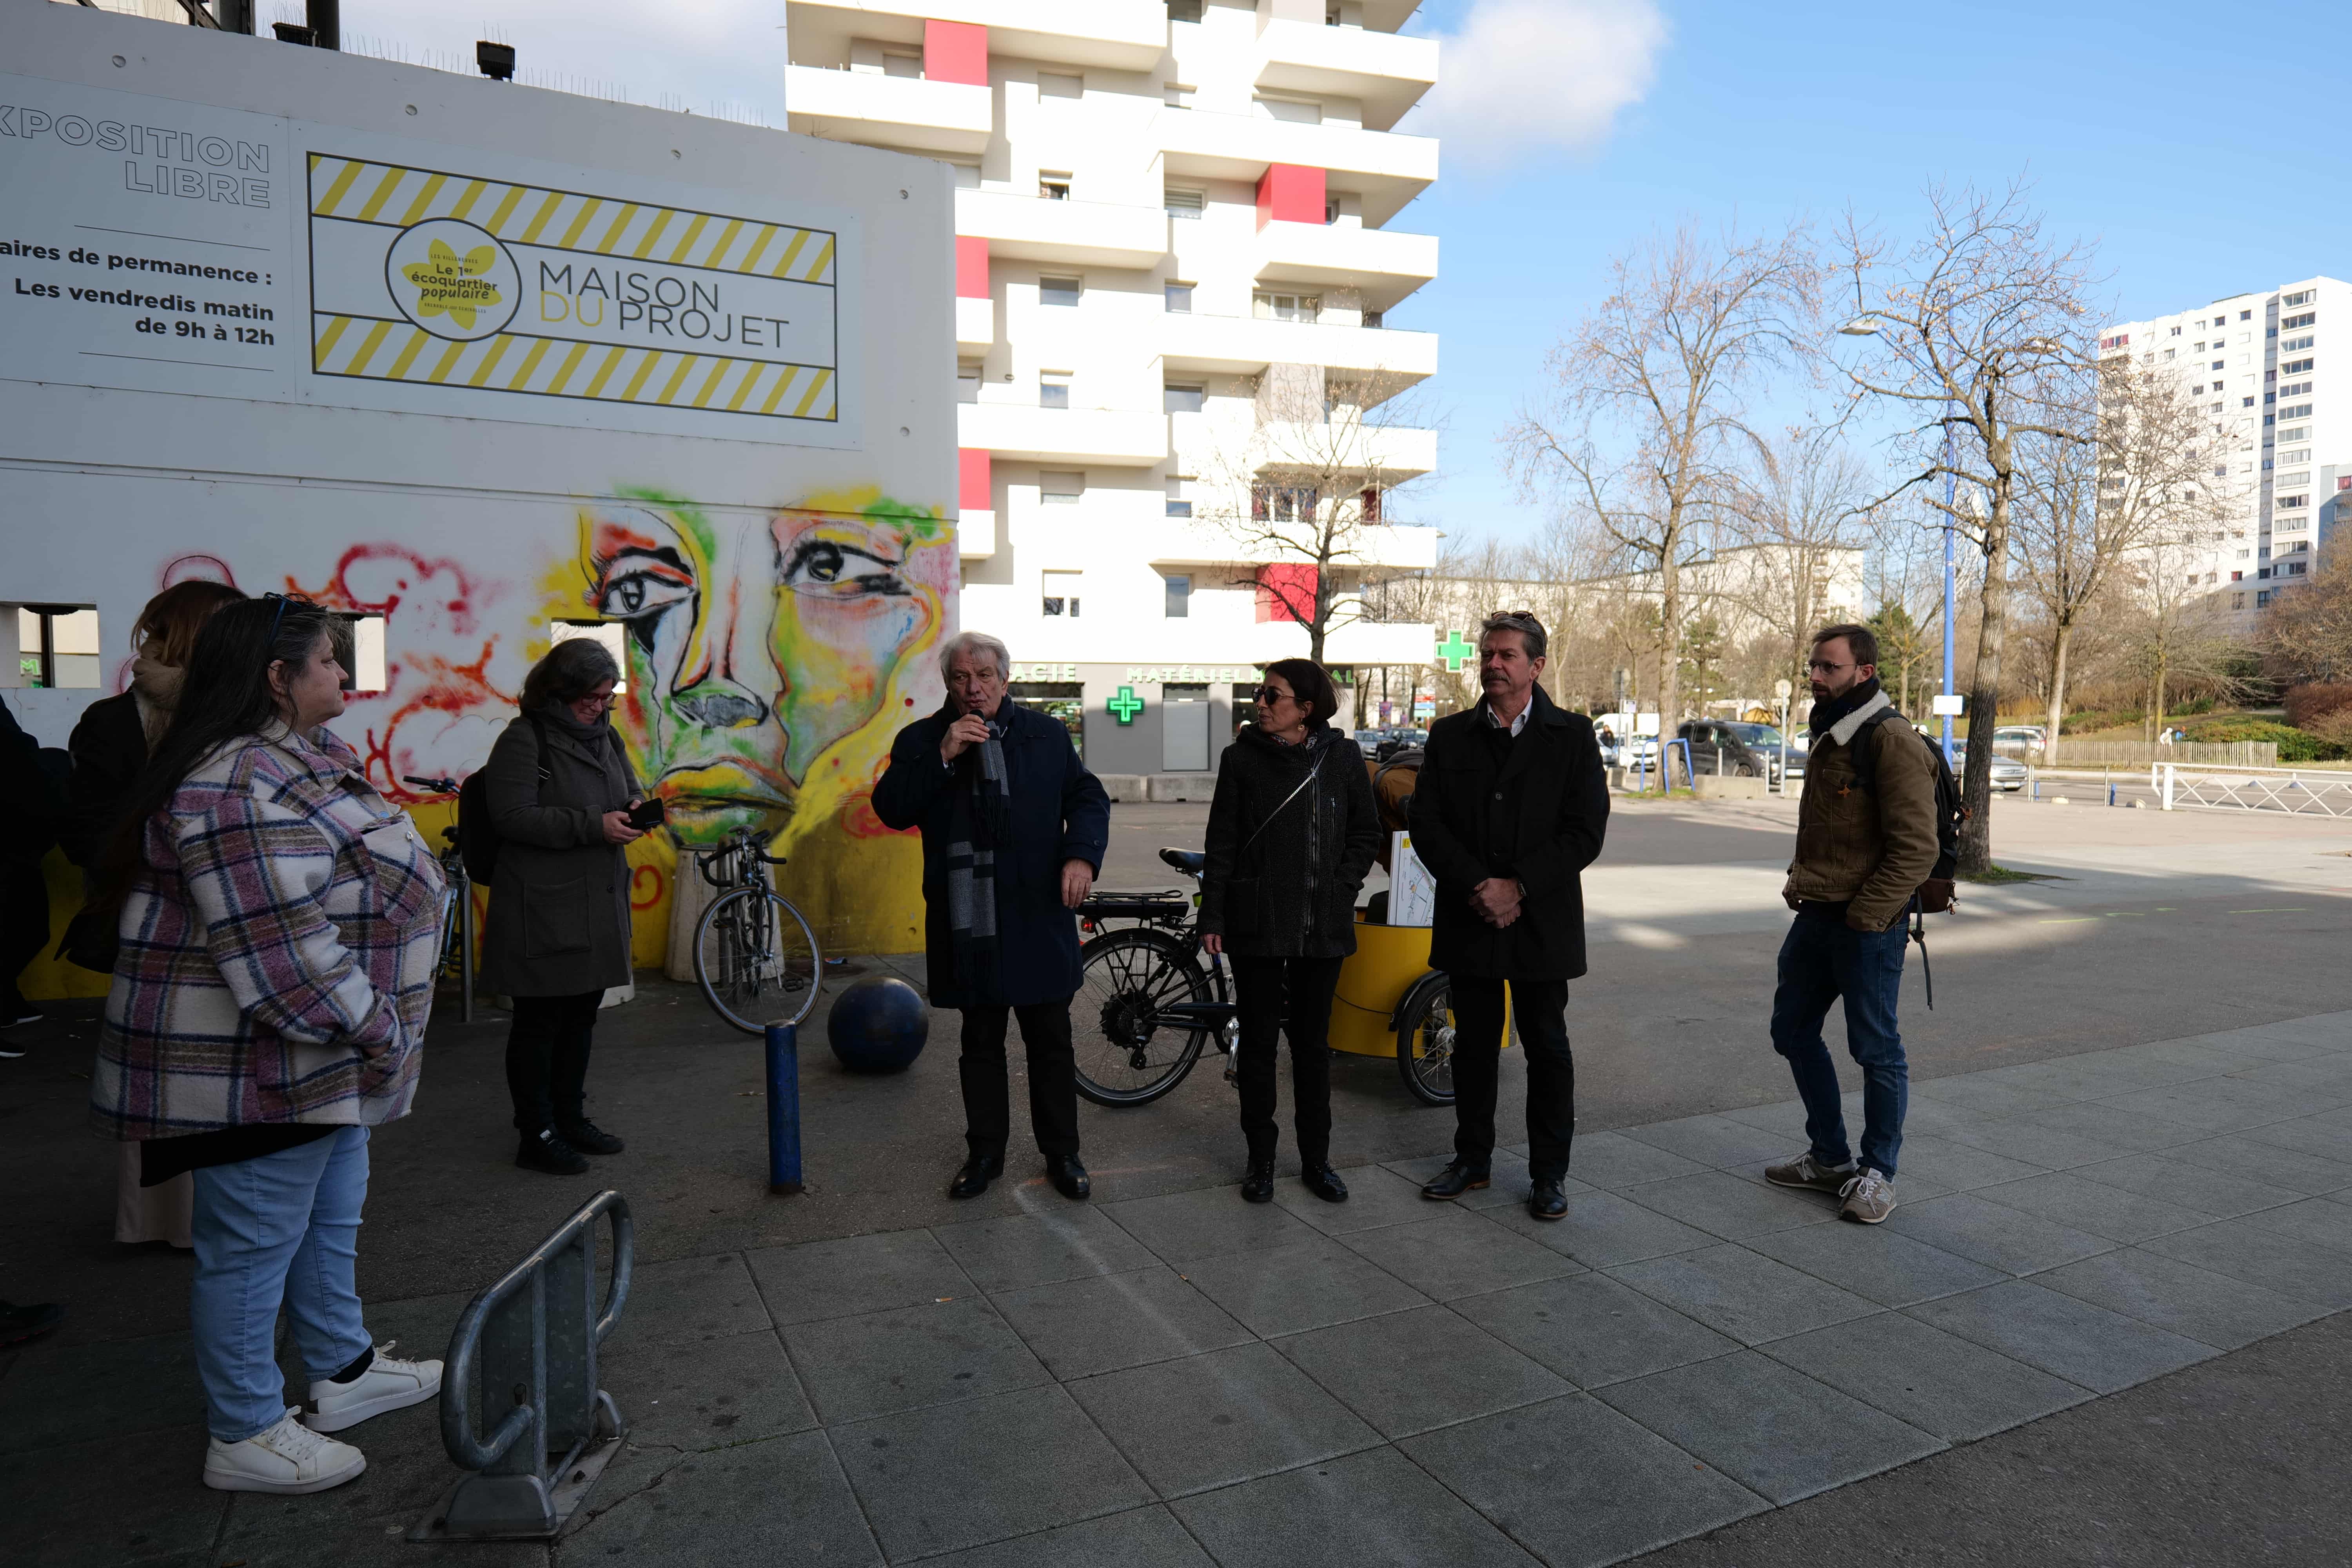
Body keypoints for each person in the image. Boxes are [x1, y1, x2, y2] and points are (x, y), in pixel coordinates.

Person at [89, 593, 447, 1494]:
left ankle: (344, 1370)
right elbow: (283, 957)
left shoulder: (306, 755)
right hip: (258, 1062)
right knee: (251, 1244)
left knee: (330, 1212)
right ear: (276, 679)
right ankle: (245, 1428)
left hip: (318, 1060)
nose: (342, 672)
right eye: (328, 659)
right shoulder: (231, 781)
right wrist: (381, 1027)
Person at [872, 630, 1109, 1202]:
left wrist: (1081, 855)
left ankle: (1062, 1153)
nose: (972, 688)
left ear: (1005, 679)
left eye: (983, 677)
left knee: (1051, 1042)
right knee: (980, 1043)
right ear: (948, 684)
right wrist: (944, 757)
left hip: (1036, 914)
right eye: (960, 678)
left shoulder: (1045, 734)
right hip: (969, 924)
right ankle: (985, 1154)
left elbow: (1087, 797)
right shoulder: (924, 739)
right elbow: (892, 808)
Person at [61, 580, 248, 1244]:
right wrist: (176, 850)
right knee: (168, 1083)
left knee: (237, 1074)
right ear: (193, 633)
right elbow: (85, 832)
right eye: (229, 628)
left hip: (237, 919)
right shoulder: (114, 722)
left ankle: (235, 1209)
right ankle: (169, 1223)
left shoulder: (244, 714)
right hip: (156, 922)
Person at [1406, 612, 1609, 1221]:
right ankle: (1472, 1160)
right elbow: (1426, 821)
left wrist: (1517, 886)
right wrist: (1478, 884)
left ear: (1536, 666)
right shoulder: (1449, 735)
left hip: (1541, 922)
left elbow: (1586, 832)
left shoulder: (1572, 736)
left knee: (1548, 1048)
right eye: (1488, 654)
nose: (1493, 664)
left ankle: (1549, 1175)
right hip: (1471, 916)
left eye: (1507, 656)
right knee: (1471, 1046)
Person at [1762, 624, 1939, 1225]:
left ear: (1863, 672)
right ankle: (1830, 1158)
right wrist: (1800, 879)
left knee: (1876, 1050)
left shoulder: (1887, 739)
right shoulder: (1829, 733)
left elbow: (1917, 848)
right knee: (1791, 1032)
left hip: (1867, 924)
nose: (1816, 675)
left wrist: (1867, 915)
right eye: (1813, 666)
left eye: (1829, 667)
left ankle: (1877, 1174)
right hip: (1817, 916)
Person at [1200, 660, 1380, 1205]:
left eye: (1272, 696)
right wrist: (1213, 916)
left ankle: (1316, 1162)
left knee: (1310, 1048)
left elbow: (1365, 831)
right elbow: (1223, 843)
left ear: (1305, 709)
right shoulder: (1241, 760)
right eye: (1260, 694)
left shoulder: (1343, 758)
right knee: (1257, 1047)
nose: (1260, 703)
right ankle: (1261, 1162)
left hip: (1320, 928)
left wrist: (1341, 888)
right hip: (1257, 924)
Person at [479, 636, 645, 1176]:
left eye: (606, 699)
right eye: (589, 699)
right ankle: (537, 1131)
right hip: (543, 907)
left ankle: (571, 1118)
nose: (599, 708)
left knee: (580, 1018)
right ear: (558, 692)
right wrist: (593, 825)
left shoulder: (606, 737)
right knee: (539, 1022)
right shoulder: (524, 739)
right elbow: (511, 815)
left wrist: (635, 807)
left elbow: (626, 788)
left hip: (596, 901)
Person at [0, 692, 54, 1037]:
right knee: (23, 928)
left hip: (17, 835)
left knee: (29, 928)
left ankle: (6, 996)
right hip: (15, 835)